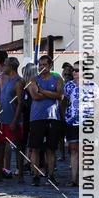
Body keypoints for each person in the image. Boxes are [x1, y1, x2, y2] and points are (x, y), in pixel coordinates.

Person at [27, 54, 63, 186]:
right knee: (35, 148)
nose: (42, 67)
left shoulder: (57, 79)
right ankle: (35, 175)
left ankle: (51, 175)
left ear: (50, 66)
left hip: (53, 117)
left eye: (44, 65)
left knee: (51, 148)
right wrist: (50, 94)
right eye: (40, 65)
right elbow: (35, 96)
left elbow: (60, 96)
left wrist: (42, 90)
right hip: (37, 118)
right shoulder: (33, 79)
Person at [0, 57, 24, 182]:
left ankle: (20, 174)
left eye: (5, 65)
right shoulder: (4, 79)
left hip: (12, 120)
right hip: (2, 119)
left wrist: (15, 120)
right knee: (0, 146)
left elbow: (20, 103)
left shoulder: (19, 82)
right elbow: (1, 99)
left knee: (17, 147)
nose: (3, 67)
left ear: (11, 67)